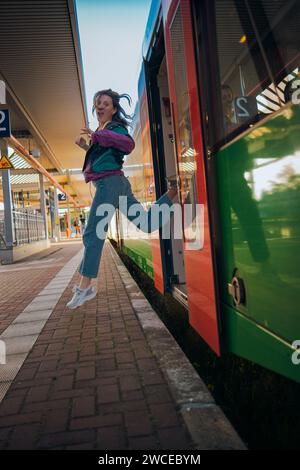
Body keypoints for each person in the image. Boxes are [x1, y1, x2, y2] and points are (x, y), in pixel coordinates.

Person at [67, 89, 177, 309]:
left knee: (92, 233)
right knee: (145, 223)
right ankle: (173, 193)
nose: (100, 106)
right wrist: (88, 147)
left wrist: (97, 136)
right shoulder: (103, 131)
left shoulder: (114, 129)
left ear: (114, 109)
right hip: (116, 183)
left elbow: (127, 144)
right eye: (98, 102)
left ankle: (85, 286)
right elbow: (108, 156)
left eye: (105, 103)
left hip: (110, 184)